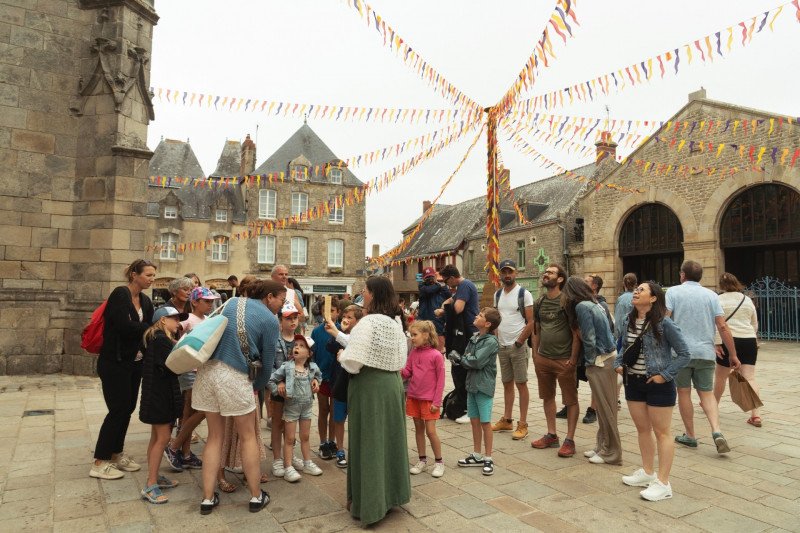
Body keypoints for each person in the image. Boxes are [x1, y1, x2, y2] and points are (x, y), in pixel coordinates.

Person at [192, 279, 282, 515]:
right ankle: (255, 497)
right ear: (269, 297)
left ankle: (207, 499)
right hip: (234, 376)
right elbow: (269, 360)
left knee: (214, 437)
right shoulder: (271, 320)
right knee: (248, 437)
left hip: (207, 373)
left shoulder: (231, 302)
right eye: (281, 300)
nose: (282, 305)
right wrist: (258, 388)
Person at [339, 276, 411, 526]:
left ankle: (369, 504)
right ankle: (391, 497)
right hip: (392, 386)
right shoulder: (396, 322)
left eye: (366, 290)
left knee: (369, 442)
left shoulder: (368, 323)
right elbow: (402, 357)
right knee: (389, 440)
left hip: (370, 387)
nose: (363, 293)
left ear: (374, 295)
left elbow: (353, 362)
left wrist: (342, 355)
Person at [615, 281, 691, 501]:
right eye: (636, 289)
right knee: (642, 429)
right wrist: (618, 364)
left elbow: (684, 353)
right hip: (633, 382)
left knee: (662, 432)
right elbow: (621, 346)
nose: (636, 292)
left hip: (658, 385)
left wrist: (664, 376)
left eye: (641, 290)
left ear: (654, 298)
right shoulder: (627, 320)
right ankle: (648, 472)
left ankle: (663, 483)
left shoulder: (664, 323)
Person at [90, 259, 156, 480]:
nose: (152, 279)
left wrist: (147, 329)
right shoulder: (120, 294)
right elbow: (124, 327)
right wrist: (149, 327)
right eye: (148, 275)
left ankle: (115, 454)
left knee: (127, 409)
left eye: (153, 275)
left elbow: (144, 329)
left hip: (134, 362)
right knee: (117, 409)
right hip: (114, 362)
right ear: (134, 275)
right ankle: (99, 461)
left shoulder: (145, 301)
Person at [666, 260, 740, 454]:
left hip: (681, 353)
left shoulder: (673, 292)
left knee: (683, 392)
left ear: (682, 275)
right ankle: (716, 430)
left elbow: (664, 320)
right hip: (706, 353)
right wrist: (732, 354)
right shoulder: (711, 296)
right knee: (706, 393)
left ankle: (690, 435)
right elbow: (722, 326)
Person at [560, 277, 621, 465]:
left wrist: (588, 364)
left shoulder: (582, 307)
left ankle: (611, 453)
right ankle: (602, 446)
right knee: (604, 409)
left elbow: (589, 339)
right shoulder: (594, 303)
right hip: (608, 358)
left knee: (606, 410)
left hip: (600, 361)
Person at [164, 287, 220, 472]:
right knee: (197, 410)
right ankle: (176, 446)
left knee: (190, 413)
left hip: (202, 370)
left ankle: (185, 452)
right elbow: (172, 334)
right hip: (190, 369)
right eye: (206, 300)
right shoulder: (187, 318)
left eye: (212, 301)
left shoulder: (207, 319)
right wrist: (180, 348)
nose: (210, 304)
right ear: (195, 302)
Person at [138, 307, 187, 504]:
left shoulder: (156, 339)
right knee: (163, 438)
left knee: (155, 438)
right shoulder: (161, 341)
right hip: (160, 397)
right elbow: (172, 367)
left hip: (156, 395)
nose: (178, 324)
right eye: (175, 319)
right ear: (163, 320)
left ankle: (155, 475)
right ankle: (150, 485)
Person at [531, 263, 580, 458]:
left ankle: (570, 439)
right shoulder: (540, 302)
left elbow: (577, 333)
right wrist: (535, 355)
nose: (546, 274)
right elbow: (536, 329)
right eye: (545, 272)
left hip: (564, 360)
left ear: (560, 279)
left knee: (570, 400)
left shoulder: (567, 302)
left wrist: (573, 360)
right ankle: (552, 435)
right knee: (547, 396)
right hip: (544, 359)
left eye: (550, 273)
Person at [450, 308, 502, 476]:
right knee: (474, 420)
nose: (475, 316)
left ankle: (488, 457)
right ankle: (477, 454)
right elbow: (469, 357)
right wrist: (467, 359)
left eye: (480, 315)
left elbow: (477, 361)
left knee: (485, 422)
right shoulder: (474, 338)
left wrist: (463, 360)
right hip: (471, 385)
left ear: (487, 324)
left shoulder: (491, 342)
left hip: (484, 386)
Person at [269, 334, 323, 482]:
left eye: (302, 346)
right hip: (291, 408)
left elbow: (320, 376)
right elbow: (271, 379)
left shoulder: (312, 367)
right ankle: (288, 467)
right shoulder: (287, 367)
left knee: (305, 436)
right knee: (289, 438)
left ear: (309, 353)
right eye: (296, 345)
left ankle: (307, 463)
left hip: (306, 407)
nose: (297, 347)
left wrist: (317, 382)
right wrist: (278, 390)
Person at [491, 260, 534, 440]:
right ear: (500, 274)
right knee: (507, 382)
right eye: (504, 272)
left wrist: (519, 341)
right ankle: (507, 419)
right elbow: (495, 317)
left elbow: (531, 321)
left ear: (516, 273)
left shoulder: (524, 294)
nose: (507, 275)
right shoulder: (498, 294)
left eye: (510, 272)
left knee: (521, 384)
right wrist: (496, 338)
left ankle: (522, 423)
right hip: (502, 345)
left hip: (517, 345)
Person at [712, 272, 761, 426]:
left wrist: (717, 343)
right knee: (750, 377)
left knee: (721, 376)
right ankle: (756, 415)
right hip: (748, 340)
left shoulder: (718, 300)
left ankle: (713, 406)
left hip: (728, 341)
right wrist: (754, 337)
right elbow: (754, 324)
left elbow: (717, 324)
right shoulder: (747, 300)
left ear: (722, 285)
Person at [435, 264, 479, 424]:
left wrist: (444, 310)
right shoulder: (462, 287)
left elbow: (458, 308)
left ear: (452, 278)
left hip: (467, 334)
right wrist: (443, 307)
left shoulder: (465, 285)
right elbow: (451, 300)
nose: (446, 285)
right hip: (463, 333)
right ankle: (464, 404)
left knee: (463, 371)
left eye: (446, 281)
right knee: (459, 370)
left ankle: (469, 409)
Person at [402, 320, 446, 478]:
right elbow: (407, 372)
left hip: (429, 400)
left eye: (415, 335)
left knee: (431, 431)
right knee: (418, 429)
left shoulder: (436, 355)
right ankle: (422, 460)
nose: (412, 338)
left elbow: (441, 380)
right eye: (410, 335)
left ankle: (439, 462)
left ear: (426, 335)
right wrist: (396, 371)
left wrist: (437, 402)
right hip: (414, 397)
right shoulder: (413, 353)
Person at [324, 304, 364, 468]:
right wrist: (339, 330)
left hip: (356, 382)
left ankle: (355, 449)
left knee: (356, 418)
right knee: (339, 417)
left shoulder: (361, 337)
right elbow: (330, 346)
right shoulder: (338, 334)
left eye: (350, 318)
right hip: (338, 380)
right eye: (344, 317)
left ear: (358, 321)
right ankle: (340, 449)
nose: (346, 320)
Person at [270, 301, 301, 479]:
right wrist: (277, 383)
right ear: (281, 320)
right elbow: (270, 366)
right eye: (289, 318)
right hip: (280, 390)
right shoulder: (275, 340)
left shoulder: (301, 340)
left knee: (292, 423)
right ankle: (277, 458)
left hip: (297, 390)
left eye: (295, 318)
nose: (293, 322)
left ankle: (290, 455)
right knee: (277, 423)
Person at [578, 274, 614, 424]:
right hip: (580, 349)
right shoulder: (581, 303)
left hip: (595, 352)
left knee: (595, 382)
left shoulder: (600, 305)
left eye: (586, 282)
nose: (583, 283)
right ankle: (569, 407)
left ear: (594, 286)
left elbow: (608, 328)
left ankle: (593, 409)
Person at [311, 296, 340, 460]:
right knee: (323, 410)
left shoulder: (340, 330)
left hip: (336, 377)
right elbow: (313, 354)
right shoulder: (316, 331)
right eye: (324, 311)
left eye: (332, 311)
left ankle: (332, 441)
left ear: (338, 312)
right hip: (321, 376)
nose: (327, 314)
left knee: (335, 411)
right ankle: (323, 442)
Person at [614, 273, 638, 340]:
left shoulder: (622, 299)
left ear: (623, 284)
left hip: (625, 337)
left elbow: (619, 321)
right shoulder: (640, 297)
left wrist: (616, 338)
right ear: (636, 284)